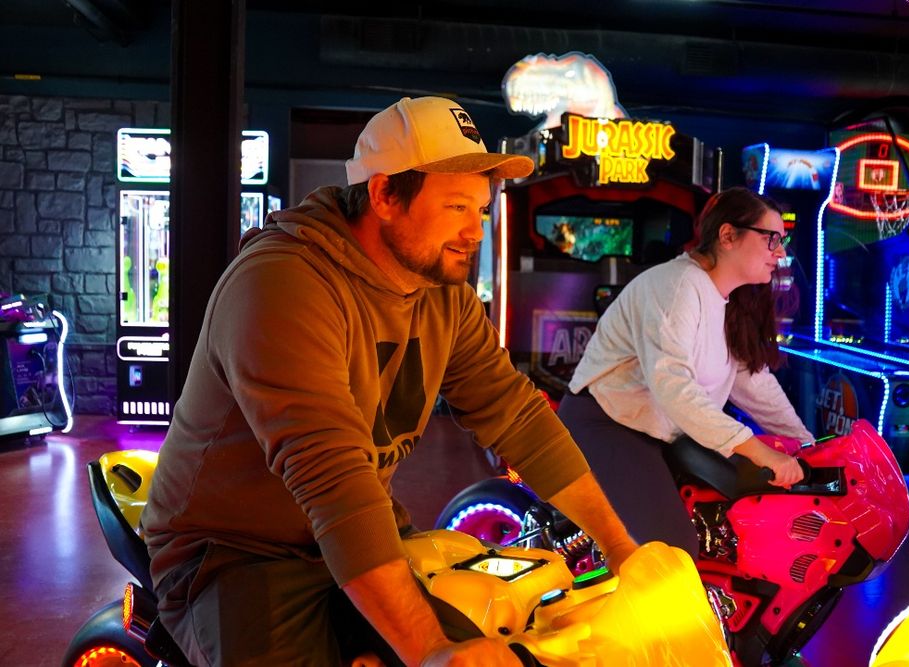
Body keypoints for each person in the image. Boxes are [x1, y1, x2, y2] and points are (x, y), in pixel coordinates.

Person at [140, 96, 638, 667]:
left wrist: (623, 550)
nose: (473, 231)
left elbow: (516, 415)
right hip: (236, 552)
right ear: (383, 195)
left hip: (354, 529)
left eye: (480, 210)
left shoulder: (443, 294)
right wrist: (431, 650)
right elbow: (330, 473)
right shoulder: (282, 284)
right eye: (456, 207)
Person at [557, 186, 813, 559]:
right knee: (674, 550)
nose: (780, 252)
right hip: (609, 423)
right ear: (728, 236)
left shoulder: (725, 298)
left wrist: (806, 444)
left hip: (663, 431)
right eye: (771, 239)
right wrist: (759, 450)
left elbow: (753, 384)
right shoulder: (677, 286)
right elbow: (673, 386)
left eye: (782, 241)